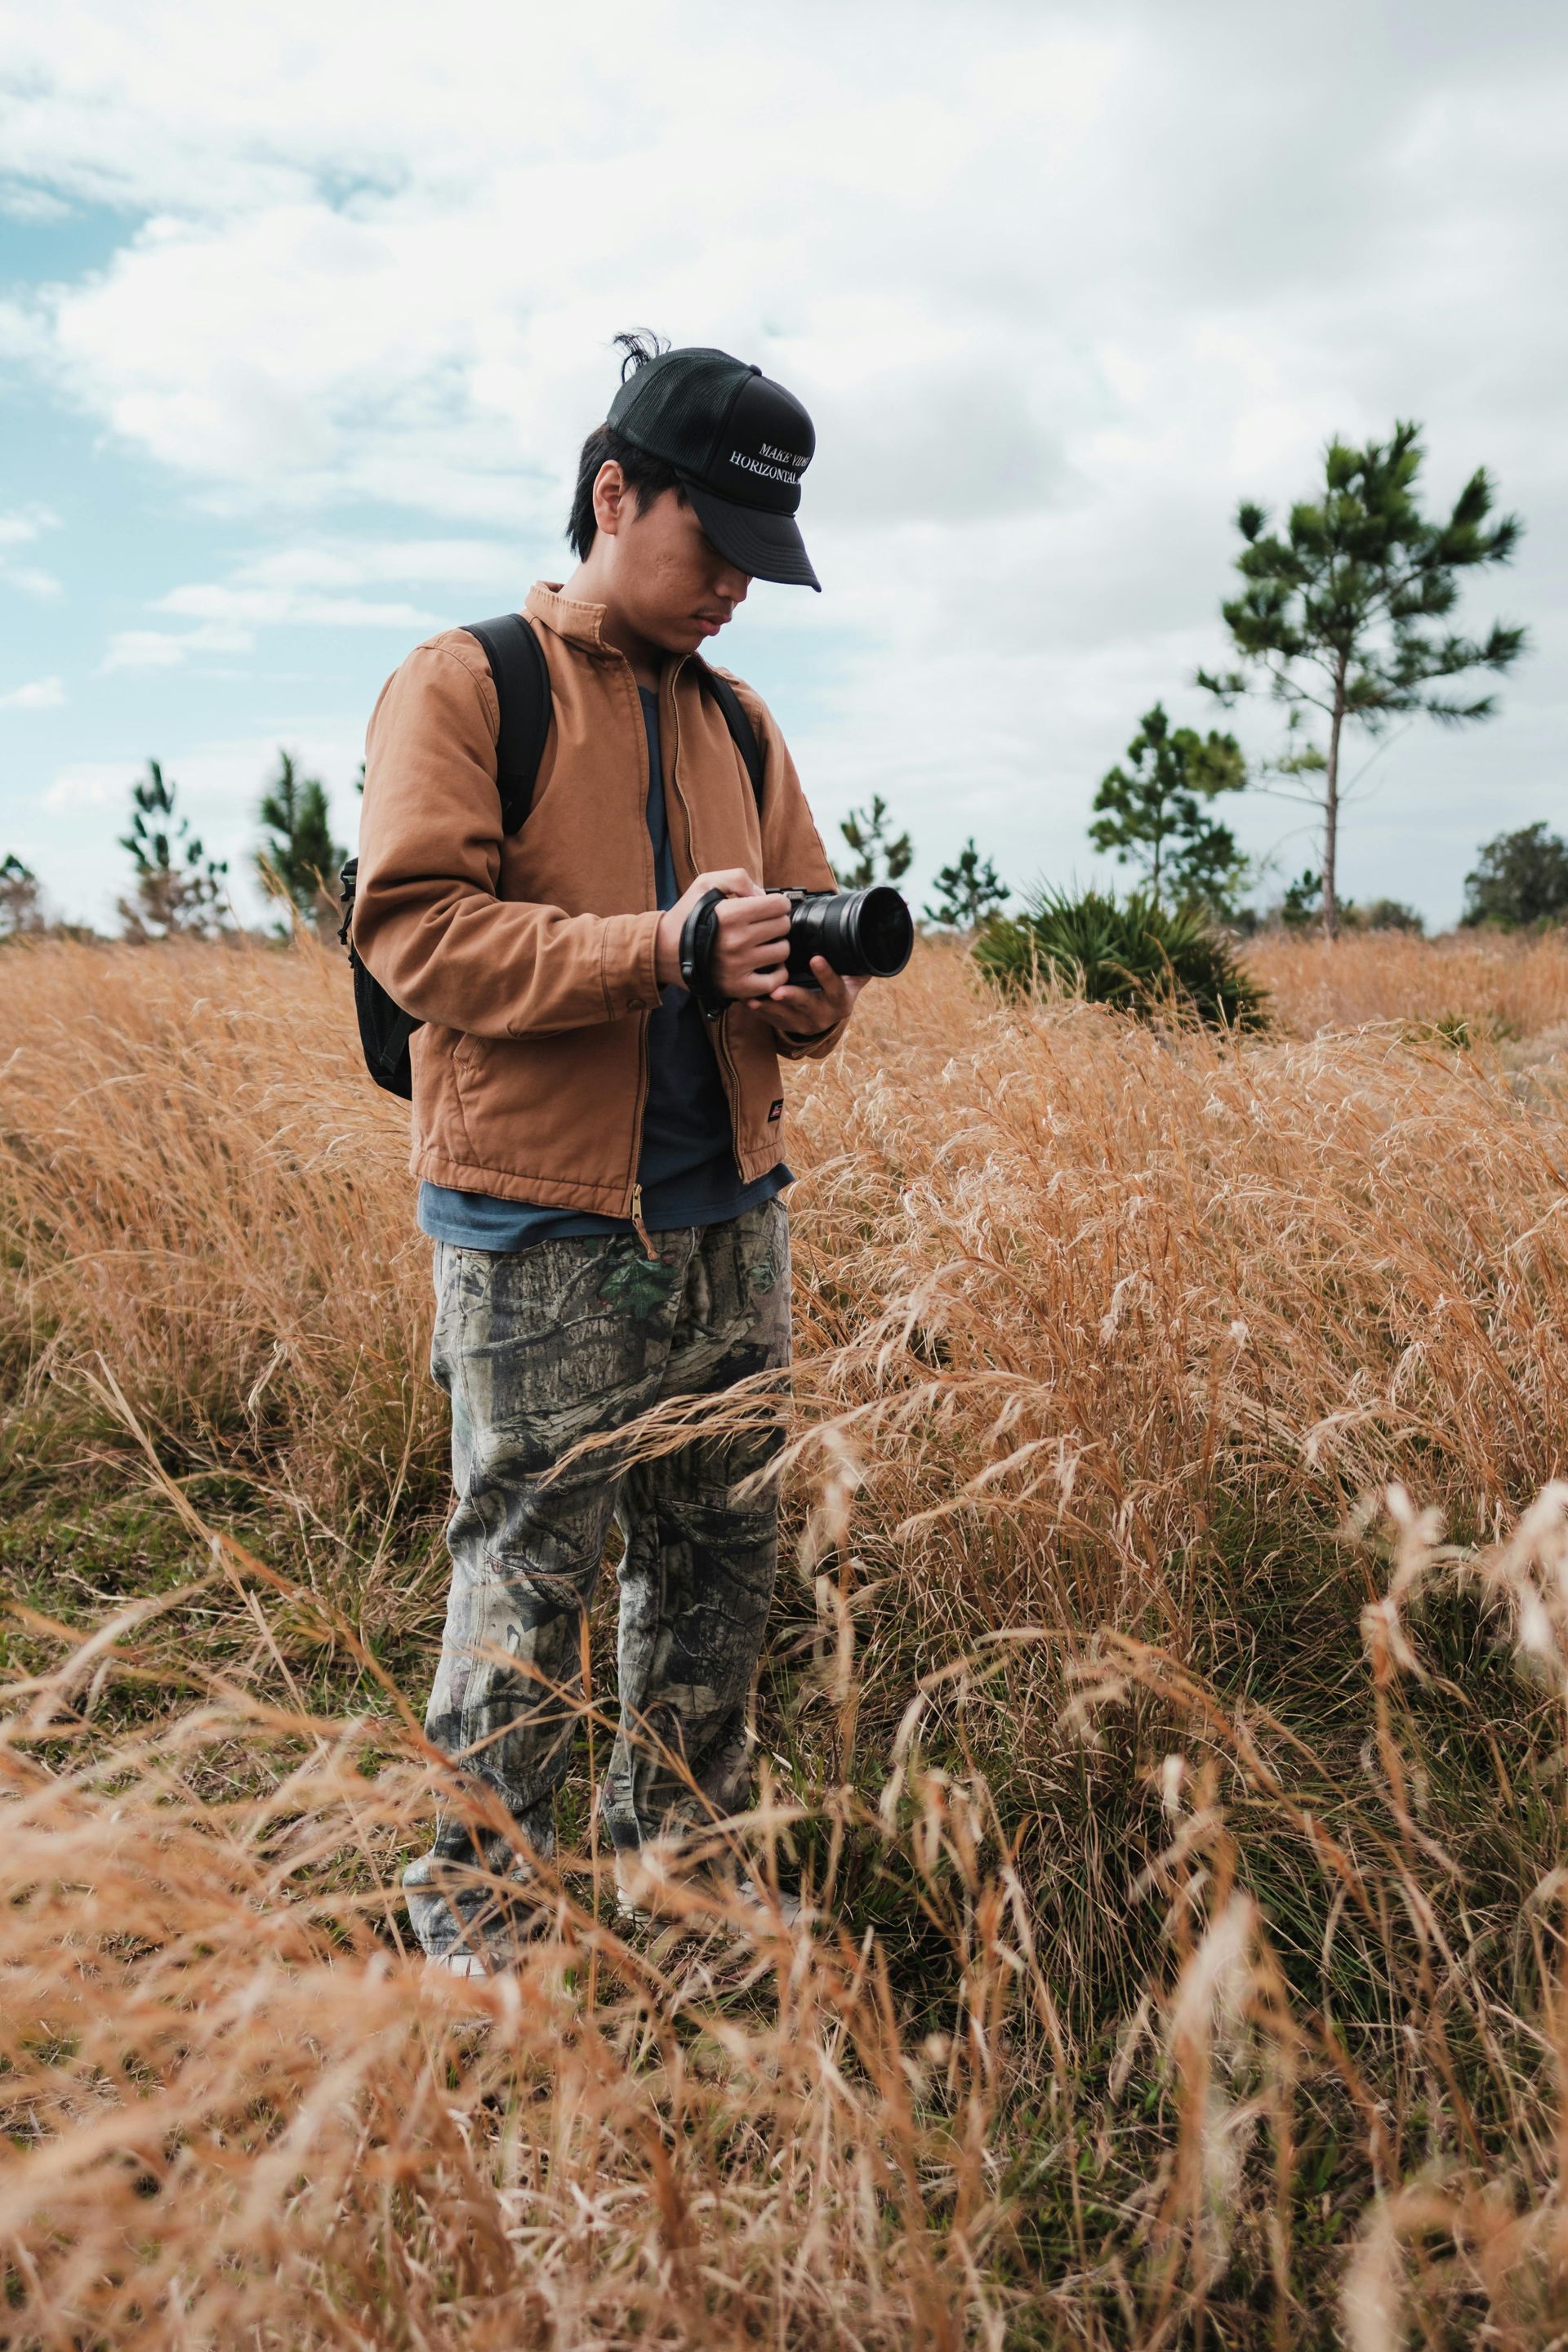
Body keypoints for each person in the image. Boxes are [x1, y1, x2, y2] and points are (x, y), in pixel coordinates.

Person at [352, 333, 867, 1971]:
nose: (732, 586)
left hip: (736, 1214)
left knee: (719, 1569)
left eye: (755, 562)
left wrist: (805, 990)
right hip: (539, 1230)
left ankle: (687, 1896)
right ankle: (479, 1930)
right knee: (530, 1585)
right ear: (612, 492)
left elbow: (802, 954)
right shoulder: (468, 682)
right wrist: (663, 950)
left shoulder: (746, 722)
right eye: (708, 543)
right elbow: (417, 937)